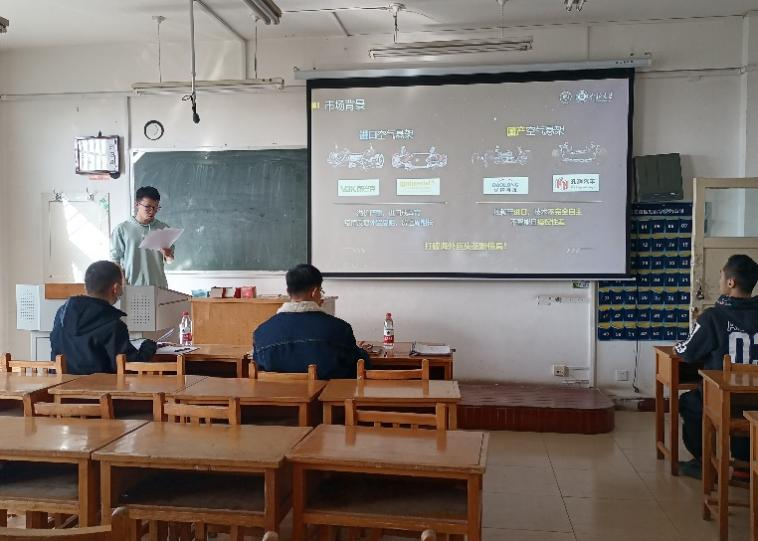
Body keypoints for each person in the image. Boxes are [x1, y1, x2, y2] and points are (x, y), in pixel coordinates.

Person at [675, 254, 758, 479]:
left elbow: (688, 352)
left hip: (724, 398)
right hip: (755, 398)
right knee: (745, 410)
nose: (719, 280)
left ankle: (705, 463)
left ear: (731, 282)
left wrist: (677, 346)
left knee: (690, 403)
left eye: (721, 276)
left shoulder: (714, 317)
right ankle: (744, 463)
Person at [253, 264, 370, 379]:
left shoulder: (261, 332)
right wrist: (363, 353)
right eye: (321, 291)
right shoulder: (340, 329)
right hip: (327, 392)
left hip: (277, 392)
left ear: (288, 292)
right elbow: (360, 366)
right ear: (314, 292)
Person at [50, 260, 157, 374]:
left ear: (86, 287)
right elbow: (129, 367)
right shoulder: (113, 324)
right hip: (101, 385)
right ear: (116, 288)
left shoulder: (61, 314)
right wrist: (148, 346)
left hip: (61, 384)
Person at [111, 186, 174, 288]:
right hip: (131, 287)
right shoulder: (122, 229)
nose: (152, 211)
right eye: (148, 207)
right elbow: (115, 260)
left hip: (158, 287)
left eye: (156, 207)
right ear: (137, 205)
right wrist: (121, 281)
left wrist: (168, 255)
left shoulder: (164, 229)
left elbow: (170, 260)